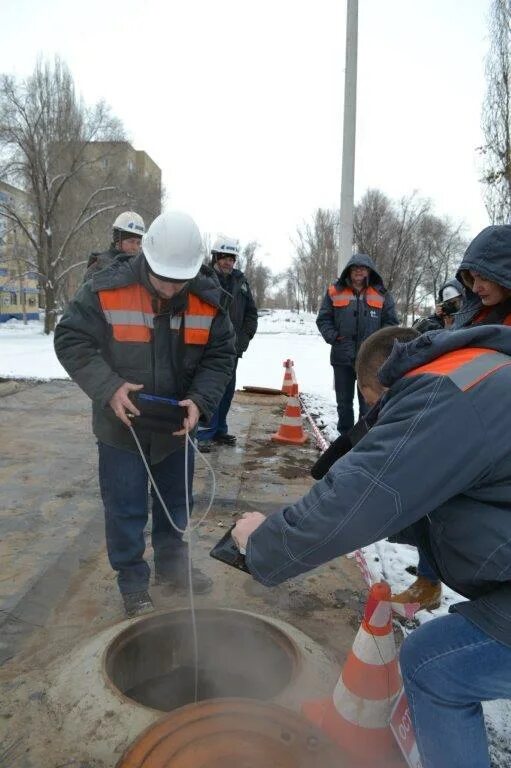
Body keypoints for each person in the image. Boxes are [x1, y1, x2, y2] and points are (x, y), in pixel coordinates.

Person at [233, 323, 511, 768]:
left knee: (431, 665)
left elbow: (361, 497)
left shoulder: (443, 397)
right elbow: (423, 502)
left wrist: (264, 541)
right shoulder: (474, 373)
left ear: (374, 388)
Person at [55, 210, 236, 618]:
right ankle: (133, 581)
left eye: (180, 280)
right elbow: (71, 340)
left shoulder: (207, 301)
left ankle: (172, 569)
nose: (172, 288)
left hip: (175, 425)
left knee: (176, 505)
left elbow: (220, 354)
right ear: (147, 259)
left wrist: (201, 401)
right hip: (122, 426)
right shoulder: (105, 289)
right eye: (163, 278)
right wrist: (108, 387)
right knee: (126, 507)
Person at [394, 224, 511, 610]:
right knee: (436, 503)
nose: (476, 286)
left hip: (495, 439)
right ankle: (429, 581)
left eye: (484, 276)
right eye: (471, 277)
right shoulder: (478, 315)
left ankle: (492, 610)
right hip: (461, 426)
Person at [316, 253, 398, 434]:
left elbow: (391, 323)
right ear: (349, 270)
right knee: (343, 403)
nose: (359, 271)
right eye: (355, 268)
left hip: (370, 361)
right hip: (342, 357)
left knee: (369, 404)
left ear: (369, 271)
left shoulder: (382, 294)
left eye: (363, 268)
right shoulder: (334, 291)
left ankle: (363, 439)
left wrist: (379, 344)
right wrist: (335, 337)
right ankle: (344, 438)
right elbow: (323, 320)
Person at [197, 235, 258, 452]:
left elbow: (251, 314)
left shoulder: (240, 282)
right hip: (207, 350)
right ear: (215, 257)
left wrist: (243, 340)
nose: (228, 263)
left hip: (232, 350)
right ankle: (202, 433)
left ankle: (219, 430)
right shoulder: (202, 278)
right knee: (208, 390)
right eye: (224, 258)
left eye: (232, 259)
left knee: (227, 391)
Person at [83, 211, 146, 280]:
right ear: (118, 240)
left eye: (138, 243)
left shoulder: (142, 269)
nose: (135, 247)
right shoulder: (99, 266)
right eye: (131, 241)